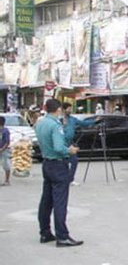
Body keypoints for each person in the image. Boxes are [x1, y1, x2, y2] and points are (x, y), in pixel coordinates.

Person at [36, 99, 82, 247]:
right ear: (58, 110)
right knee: (60, 202)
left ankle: (45, 232)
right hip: (58, 164)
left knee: (46, 200)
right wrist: (70, 150)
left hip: (47, 163)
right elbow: (58, 147)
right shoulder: (55, 125)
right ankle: (62, 236)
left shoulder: (41, 123)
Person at [60, 103, 96, 182]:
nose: (70, 110)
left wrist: (94, 121)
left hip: (70, 143)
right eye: (68, 109)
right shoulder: (59, 120)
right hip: (61, 144)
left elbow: (83, 123)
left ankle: (70, 179)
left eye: (70, 109)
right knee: (64, 163)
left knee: (74, 161)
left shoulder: (73, 119)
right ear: (63, 110)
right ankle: (64, 178)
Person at [0, 117, 10, 186]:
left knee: (5, 165)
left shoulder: (5, 131)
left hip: (4, 150)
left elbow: (7, 142)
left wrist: (2, 149)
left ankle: (7, 180)